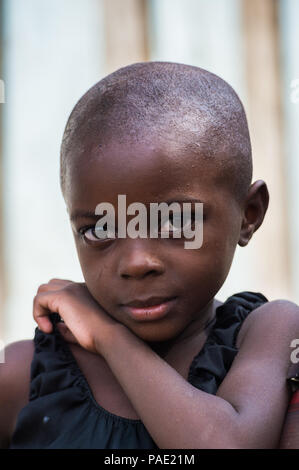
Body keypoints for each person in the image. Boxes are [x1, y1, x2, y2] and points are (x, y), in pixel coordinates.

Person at [1, 61, 299, 449]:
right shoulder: (25, 377)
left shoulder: (270, 333)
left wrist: (109, 337)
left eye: (174, 221)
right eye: (100, 229)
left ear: (249, 214)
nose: (136, 262)